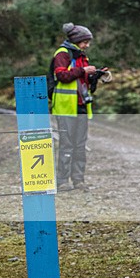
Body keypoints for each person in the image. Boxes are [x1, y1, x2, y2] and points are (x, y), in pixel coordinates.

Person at [49, 22, 108, 191]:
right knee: (67, 145)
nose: (87, 45)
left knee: (80, 145)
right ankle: (62, 182)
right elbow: (61, 75)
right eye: (85, 42)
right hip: (65, 107)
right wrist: (83, 71)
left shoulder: (82, 56)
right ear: (76, 40)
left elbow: (82, 80)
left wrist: (95, 75)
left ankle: (78, 180)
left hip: (81, 106)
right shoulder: (62, 53)